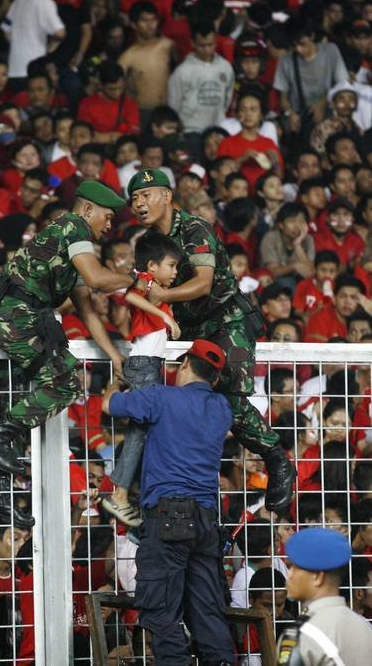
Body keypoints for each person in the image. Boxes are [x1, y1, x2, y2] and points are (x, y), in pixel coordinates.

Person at [128, 168, 296, 512]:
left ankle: (277, 458)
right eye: (134, 199)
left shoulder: (194, 228)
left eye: (147, 195)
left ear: (168, 196)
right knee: (188, 400)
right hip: (185, 328)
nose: (140, 204)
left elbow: (203, 283)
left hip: (224, 319)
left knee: (229, 399)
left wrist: (160, 295)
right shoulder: (148, 243)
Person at [0, 180, 136, 496]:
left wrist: (114, 356)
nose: (109, 225)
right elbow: (98, 279)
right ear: (87, 209)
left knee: (20, 404)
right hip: (15, 318)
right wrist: (138, 280)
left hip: (16, 320)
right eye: (107, 216)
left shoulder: (70, 247)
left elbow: (88, 309)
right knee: (65, 385)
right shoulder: (73, 227)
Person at [102, 338, 235, 666]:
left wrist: (112, 387)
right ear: (215, 380)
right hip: (206, 519)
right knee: (208, 611)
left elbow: (110, 406)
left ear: (184, 365)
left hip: (168, 517)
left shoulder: (162, 397)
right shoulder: (222, 408)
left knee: (161, 611)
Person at [102, 232, 182, 526]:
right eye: (171, 265)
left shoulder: (155, 287)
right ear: (153, 265)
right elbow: (131, 296)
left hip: (149, 365)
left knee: (142, 432)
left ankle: (123, 493)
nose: (174, 272)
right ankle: (120, 494)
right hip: (144, 366)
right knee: (143, 432)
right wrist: (168, 318)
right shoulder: (147, 281)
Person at [276, 527, 372, 665]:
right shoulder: (363, 626)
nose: (289, 574)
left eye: (295, 568)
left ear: (317, 577)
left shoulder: (300, 634)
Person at [167, 21, 235, 136]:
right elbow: (174, 105)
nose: (207, 50)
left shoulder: (225, 67)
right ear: (192, 43)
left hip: (217, 129)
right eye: (202, 45)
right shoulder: (182, 71)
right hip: (191, 130)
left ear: (216, 41)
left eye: (211, 45)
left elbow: (227, 98)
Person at [3, 0, 66, 85]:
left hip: (14, 68)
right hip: (34, 70)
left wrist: (18, 44)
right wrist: (53, 44)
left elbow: (6, 28)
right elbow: (59, 32)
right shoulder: (45, 2)